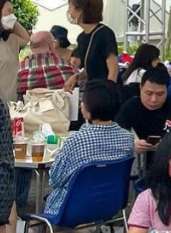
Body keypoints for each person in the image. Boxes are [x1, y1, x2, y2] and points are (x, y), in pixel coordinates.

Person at [42, 81, 134, 219]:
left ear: (92, 106)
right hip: (111, 204)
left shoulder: (77, 139)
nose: (81, 104)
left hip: (73, 208)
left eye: (84, 101)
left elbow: (55, 179)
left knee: (53, 199)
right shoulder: (127, 138)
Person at [116, 65, 171, 153]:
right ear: (140, 88)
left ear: (167, 90)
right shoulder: (131, 106)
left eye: (160, 94)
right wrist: (131, 145)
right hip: (141, 156)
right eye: (148, 93)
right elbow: (117, 135)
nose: (153, 99)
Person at [63, 0, 119, 90]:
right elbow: (91, 69)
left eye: (70, 8)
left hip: (105, 90)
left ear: (79, 11)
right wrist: (77, 77)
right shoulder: (82, 37)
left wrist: (109, 91)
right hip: (92, 89)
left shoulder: (105, 34)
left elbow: (113, 69)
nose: (69, 12)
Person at [17, 31, 77, 98]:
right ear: (51, 46)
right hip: (61, 104)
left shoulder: (18, 69)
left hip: (29, 104)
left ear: (31, 48)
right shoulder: (68, 66)